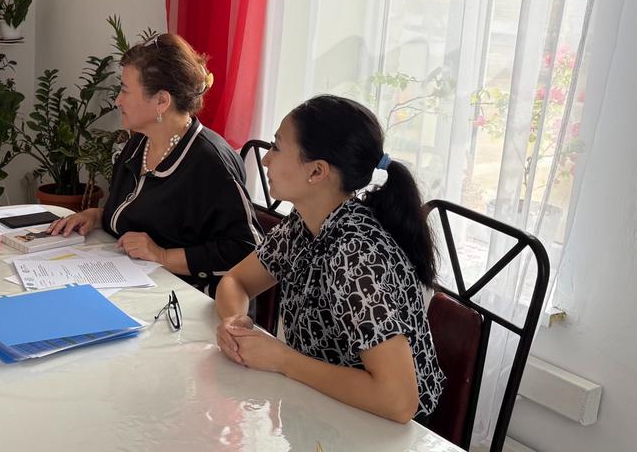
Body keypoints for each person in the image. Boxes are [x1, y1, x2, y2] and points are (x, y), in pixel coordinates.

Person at [213, 94, 446, 423]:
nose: (266, 160)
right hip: (323, 409)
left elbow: (398, 401)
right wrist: (234, 323)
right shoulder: (305, 224)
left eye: (277, 147)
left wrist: (282, 359)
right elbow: (236, 281)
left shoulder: (355, 255)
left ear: (317, 171)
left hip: (379, 432)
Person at [50, 33, 260, 294]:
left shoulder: (211, 163)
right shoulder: (139, 143)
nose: (117, 100)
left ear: (161, 101)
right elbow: (146, 218)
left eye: (125, 90)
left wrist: (162, 256)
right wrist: (97, 216)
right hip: (131, 286)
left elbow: (248, 251)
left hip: (185, 301)